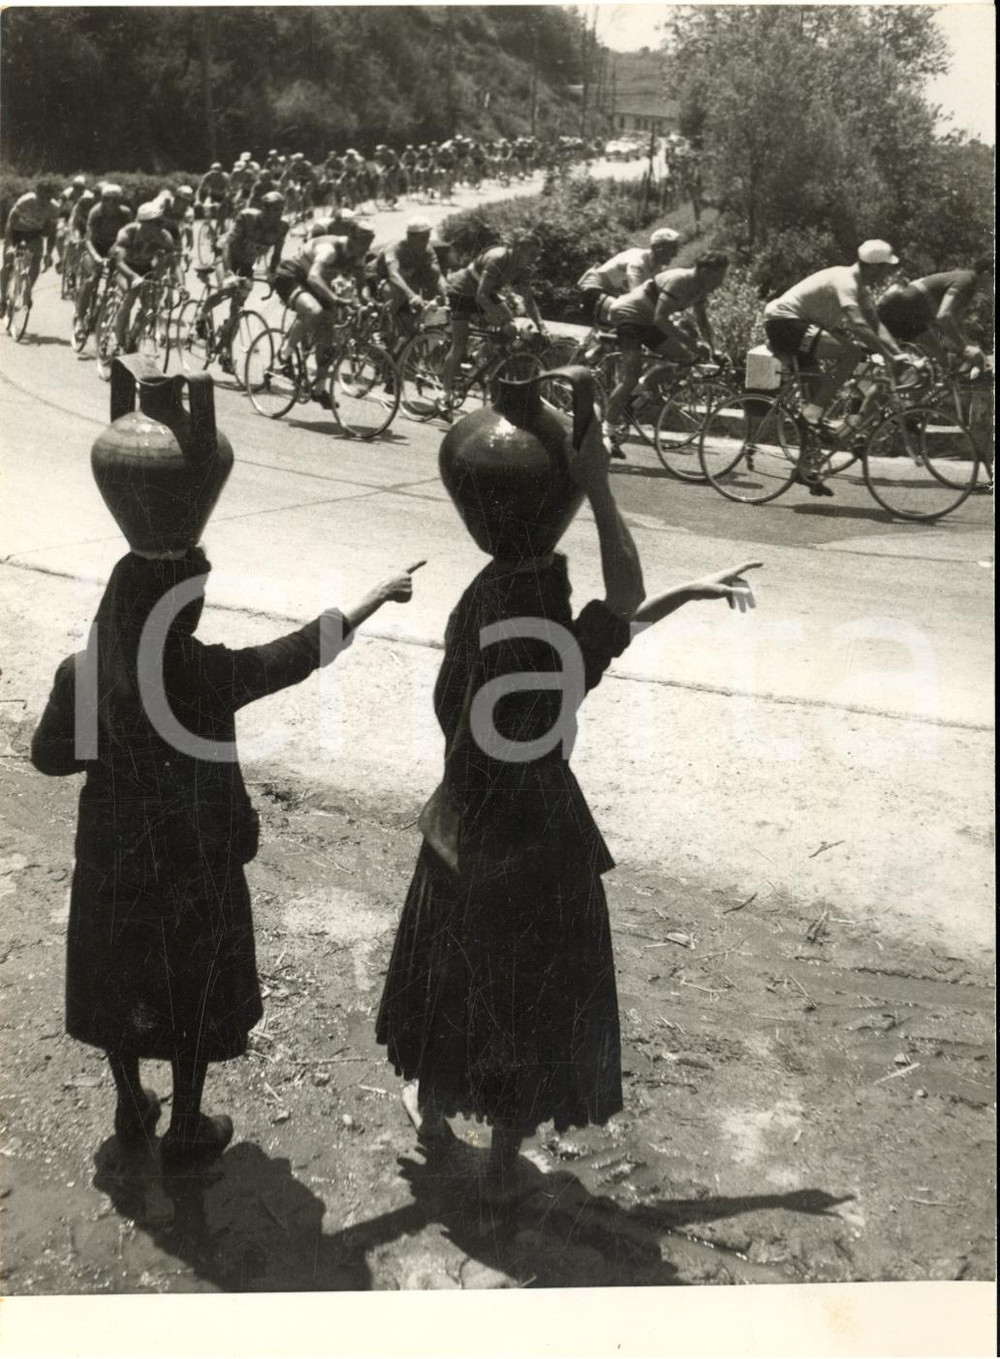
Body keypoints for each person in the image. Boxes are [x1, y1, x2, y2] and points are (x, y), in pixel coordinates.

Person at [375, 409, 760, 1203]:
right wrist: (600, 487)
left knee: (453, 976)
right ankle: (501, 1158)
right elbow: (617, 610)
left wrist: (681, 591)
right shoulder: (558, 656)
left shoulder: (484, 619)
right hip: (545, 838)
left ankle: (433, 1111)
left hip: (464, 828)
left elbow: (612, 617)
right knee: (528, 997)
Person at [31, 544, 422, 1166]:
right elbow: (296, 654)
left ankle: (130, 1103)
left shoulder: (84, 673)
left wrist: (110, 739)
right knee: (192, 987)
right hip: (195, 861)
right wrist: (374, 597)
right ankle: (187, 1123)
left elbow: (49, 758)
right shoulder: (206, 673)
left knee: (119, 978)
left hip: (113, 860)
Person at [763, 240, 909, 480]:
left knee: (815, 400)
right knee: (851, 354)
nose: (887, 273)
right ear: (874, 267)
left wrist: (897, 353)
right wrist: (888, 356)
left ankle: (804, 469)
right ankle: (812, 414)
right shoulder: (846, 280)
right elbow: (858, 323)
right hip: (784, 322)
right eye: (886, 268)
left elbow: (875, 324)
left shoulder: (861, 288)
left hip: (799, 326)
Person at [602, 251, 729, 458]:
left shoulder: (700, 288)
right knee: (630, 375)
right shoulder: (680, 280)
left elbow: (702, 320)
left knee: (687, 360)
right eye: (718, 277)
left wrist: (712, 348)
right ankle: (606, 432)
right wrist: (693, 343)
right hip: (629, 315)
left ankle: (634, 395)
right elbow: (661, 319)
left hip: (648, 321)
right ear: (705, 272)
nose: (720, 283)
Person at [440, 232, 549, 410]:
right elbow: (481, 296)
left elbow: (529, 300)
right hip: (462, 292)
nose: (534, 259)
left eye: (537, 255)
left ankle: (477, 361)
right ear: (518, 248)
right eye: (532, 254)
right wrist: (501, 320)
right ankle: (445, 394)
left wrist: (541, 326)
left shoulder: (523, 267)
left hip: (485, 293)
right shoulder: (498, 258)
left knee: (511, 330)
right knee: (459, 344)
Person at [272, 219, 376, 405]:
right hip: (292, 276)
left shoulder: (357, 254)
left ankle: (320, 390)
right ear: (352, 238)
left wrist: (368, 302)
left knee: (327, 337)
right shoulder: (330, 249)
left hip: (317, 284)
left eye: (370, 243)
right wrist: (335, 298)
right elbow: (313, 276)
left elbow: (362, 286)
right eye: (364, 242)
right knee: (314, 310)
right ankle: (284, 354)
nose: (367, 248)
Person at [876, 256, 993, 370]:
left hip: (913, 316)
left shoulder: (970, 287)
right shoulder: (967, 281)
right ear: (986, 275)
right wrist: (965, 348)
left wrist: (967, 346)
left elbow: (950, 326)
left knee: (942, 361)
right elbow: (943, 316)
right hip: (899, 310)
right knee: (929, 365)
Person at [577, 227, 682, 325]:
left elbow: (656, 298)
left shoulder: (657, 269)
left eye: (677, 248)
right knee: (633, 316)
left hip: (611, 294)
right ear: (656, 248)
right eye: (672, 248)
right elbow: (637, 297)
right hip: (592, 289)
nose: (676, 254)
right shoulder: (637, 260)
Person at [109, 201, 176, 350]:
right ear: (144, 224)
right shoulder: (128, 233)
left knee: (151, 304)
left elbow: (172, 263)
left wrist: (169, 286)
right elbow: (119, 262)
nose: (160, 226)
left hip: (146, 268)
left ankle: (133, 337)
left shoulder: (164, 236)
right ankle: (118, 342)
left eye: (161, 222)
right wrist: (133, 277)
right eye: (156, 223)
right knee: (130, 296)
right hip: (125, 268)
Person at [375, 217, 447, 351]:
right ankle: (382, 332)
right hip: (382, 277)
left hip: (407, 279)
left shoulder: (427, 249)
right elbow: (393, 274)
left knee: (433, 272)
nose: (426, 241)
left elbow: (438, 275)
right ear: (409, 236)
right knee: (396, 294)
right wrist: (412, 295)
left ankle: (414, 334)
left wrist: (446, 296)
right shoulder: (395, 247)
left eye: (428, 236)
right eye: (422, 238)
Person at [73, 184, 132, 341]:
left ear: (120, 200)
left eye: (115, 200)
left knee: (120, 283)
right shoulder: (96, 212)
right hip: (95, 247)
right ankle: (79, 320)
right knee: (92, 279)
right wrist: (96, 257)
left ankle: (114, 320)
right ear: (102, 200)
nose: (111, 203)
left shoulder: (125, 213)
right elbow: (88, 239)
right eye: (107, 200)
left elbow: (129, 236)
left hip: (115, 247)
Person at [1, 180, 59, 315]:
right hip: (16, 231)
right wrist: (10, 245)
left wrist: (48, 253)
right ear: (36, 193)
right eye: (41, 197)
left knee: (36, 259)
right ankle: (2, 298)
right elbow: (10, 223)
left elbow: (52, 233)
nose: (44, 201)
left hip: (33, 234)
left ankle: (27, 291)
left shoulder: (54, 208)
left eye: (48, 198)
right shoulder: (26, 201)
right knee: (8, 262)